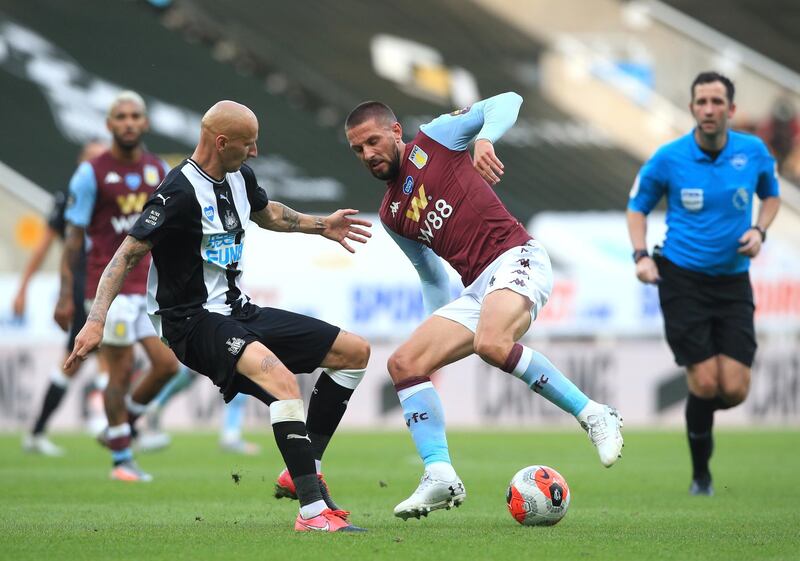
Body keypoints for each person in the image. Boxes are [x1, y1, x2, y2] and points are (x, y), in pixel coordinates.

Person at [66, 100, 372, 533]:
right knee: (283, 383)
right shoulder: (177, 193)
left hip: (238, 311)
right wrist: (96, 319)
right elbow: (125, 256)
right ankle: (312, 513)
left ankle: (304, 469)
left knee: (354, 352)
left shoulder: (240, 177)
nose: (255, 153)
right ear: (221, 141)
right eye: (249, 144)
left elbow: (269, 215)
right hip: (190, 321)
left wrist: (322, 225)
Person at [344, 92, 624, 520]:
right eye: (357, 150)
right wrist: (434, 338)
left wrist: (485, 139)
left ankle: (594, 414)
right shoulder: (392, 214)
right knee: (404, 364)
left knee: (492, 343)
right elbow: (432, 276)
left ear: (395, 132)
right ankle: (440, 475)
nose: (367, 154)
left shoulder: (436, 139)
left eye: (373, 142)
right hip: (476, 288)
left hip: (517, 257)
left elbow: (509, 99)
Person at [626, 71, 781, 496]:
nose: (708, 109)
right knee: (707, 381)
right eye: (701, 102)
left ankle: (698, 412)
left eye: (717, 102)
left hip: (733, 283)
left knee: (734, 389)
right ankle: (701, 476)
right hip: (682, 279)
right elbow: (637, 206)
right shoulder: (668, 157)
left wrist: (760, 231)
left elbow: (771, 195)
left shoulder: (753, 152)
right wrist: (641, 256)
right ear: (692, 107)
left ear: (731, 110)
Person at [56, 91, 189, 482]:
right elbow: (73, 238)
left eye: (135, 116)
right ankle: (121, 461)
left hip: (149, 288)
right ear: (109, 125)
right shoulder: (91, 173)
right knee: (121, 370)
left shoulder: (157, 169)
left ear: (145, 123)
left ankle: (120, 428)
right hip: (107, 289)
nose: (129, 122)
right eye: (121, 116)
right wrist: (67, 294)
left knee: (167, 366)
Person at [17, 140, 110, 455]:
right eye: (93, 160)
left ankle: (104, 423)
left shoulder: (116, 197)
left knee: (105, 356)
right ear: (81, 164)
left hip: (109, 285)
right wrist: (23, 289)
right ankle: (98, 421)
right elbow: (44, 247)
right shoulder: (69, 200)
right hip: (85, 285)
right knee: (81, 356)